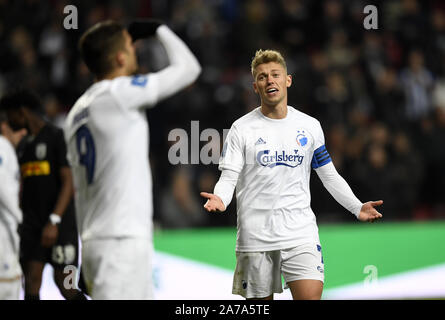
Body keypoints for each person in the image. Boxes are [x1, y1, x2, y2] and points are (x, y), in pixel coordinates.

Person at [200, 49, 383, 300]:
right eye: (262, 77)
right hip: (256, 236)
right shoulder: (241, 129)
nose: (270, 80)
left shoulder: (309, 126)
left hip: (300, 234)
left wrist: (356, 207)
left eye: (275, 74)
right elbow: (229, 177)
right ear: (255, 86)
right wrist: (221, 198)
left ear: (288, 80)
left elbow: (328, 175)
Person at [63, 20, 201, 299]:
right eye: (130, 47)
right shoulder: (118, 95)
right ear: (120, 58)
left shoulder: (76, 113)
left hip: (96, 239)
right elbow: (189, 69)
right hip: (120, 241)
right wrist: (158, 29)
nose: (136, 52)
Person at [0, 89, 86, 300]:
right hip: (32, 225)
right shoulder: (21, 145)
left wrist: (54, 220)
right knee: (31, 281)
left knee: (65, 284)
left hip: (60, 225)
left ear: (22, 112)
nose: (8, 121)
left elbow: (68, 182)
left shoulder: (57, 137)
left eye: (10, 115)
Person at [0, 115, 26, 300]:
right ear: (4, 127)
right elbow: (2, 187)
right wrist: (22, 218)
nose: (23, 132)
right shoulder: (2, 146)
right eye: (17, 127)